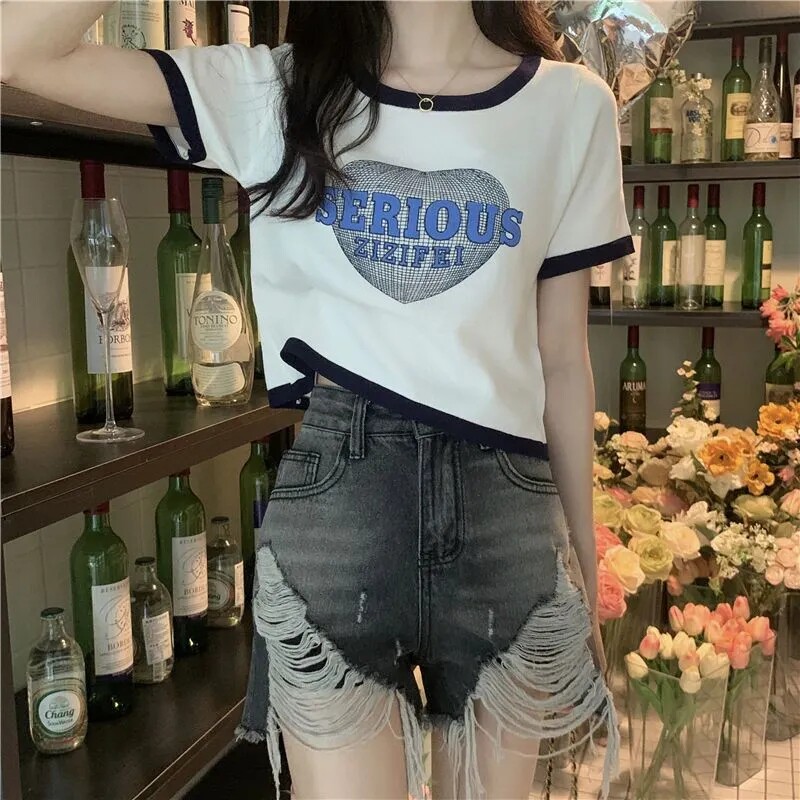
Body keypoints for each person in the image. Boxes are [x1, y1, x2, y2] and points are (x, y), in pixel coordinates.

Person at [2, 2, 633, 798]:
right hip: (342, 512)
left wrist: (582, 563)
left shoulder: (570, 105)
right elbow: (16, 52)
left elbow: (563, 361)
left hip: (506, 519)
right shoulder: (277, 91)